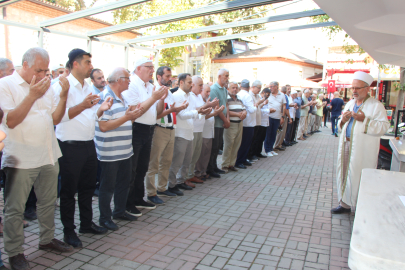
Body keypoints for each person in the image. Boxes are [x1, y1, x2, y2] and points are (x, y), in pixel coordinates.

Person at [0, 47, 74, 270]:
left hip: (49, 154)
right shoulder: (6, 85)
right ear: (25, 65)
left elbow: (55, 119)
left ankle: (46, 239)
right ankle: (15, 252)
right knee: (15, 208)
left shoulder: (47, 86)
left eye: (46, 71)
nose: (43, 75)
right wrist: (31, 96)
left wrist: (62, 96)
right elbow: (10, 121)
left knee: (48, 201)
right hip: (20, 158)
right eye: (38, 70)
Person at [54, 48, 109, 248]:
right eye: (87, 62)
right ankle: (68, 231)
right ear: (75, 64)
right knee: (69, 192)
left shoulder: (87, 86)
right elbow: (58, 116)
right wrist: (85, 106)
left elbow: (90, 115)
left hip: (88, 144)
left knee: (87, 187)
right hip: (69, 146)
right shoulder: (61, 85)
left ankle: (86, 223)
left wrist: (100, 110)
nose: (91, 66)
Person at [332, 71, 389, 214]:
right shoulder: (350, 103)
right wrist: (343, 120)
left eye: (358, 88)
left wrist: (364, 119)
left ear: (367, 89)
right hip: (346, 144)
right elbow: (341, 123)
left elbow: (384, 127)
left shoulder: (376, 106)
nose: (354, 91)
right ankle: (344, 204)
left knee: (360, 175)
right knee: (345, 173)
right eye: (353, 88)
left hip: (363, 149)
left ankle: (361, 205)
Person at [95, 68, 144, 230]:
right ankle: (105, 218)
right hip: (110, 152)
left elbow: (124, 122)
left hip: (125, 150)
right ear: (118, 80)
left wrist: (131, 116)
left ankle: (119, 211)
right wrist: (127, 117)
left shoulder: (122, 98)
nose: (130, 81)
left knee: (124, 182)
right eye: (127, 78)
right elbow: (103, 127)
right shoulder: (105, 97)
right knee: (107, 186)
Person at [122, 57, 168, 217]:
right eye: (149, 67)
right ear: (138, 68)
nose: (152, 70)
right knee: (132, 168)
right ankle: (127, 203)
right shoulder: (132, 84)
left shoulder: (150, 86)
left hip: (149, 129)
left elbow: (158, 112)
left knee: (142, 167)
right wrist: (154, 97)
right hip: (136, 130)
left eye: (152, 67)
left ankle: (138, 198)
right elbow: (137, 110)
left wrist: (161, 98)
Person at [145, 66, 188, 204]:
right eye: (167, 76)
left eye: (170, 76)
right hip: (159, 129)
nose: (170, 79)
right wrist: (173, 110)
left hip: (170, 129)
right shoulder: (154, 90)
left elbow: (170, 110)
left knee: (166, 161)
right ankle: (151, 193)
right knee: (154, 163)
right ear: (159, 77)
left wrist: (177, 109)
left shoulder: (169, 92)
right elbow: (157, 115)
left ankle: (162, 188)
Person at [167, 73, 210, 193]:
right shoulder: (176, 95)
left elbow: (194, 113)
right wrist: (198, 111)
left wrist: (203, 112)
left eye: (192, 82)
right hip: (180, 133)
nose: (191, 85)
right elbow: (182, 115)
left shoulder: (190, 96)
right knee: (177, 162)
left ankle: (181, 181)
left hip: (190, 132)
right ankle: (171, 184)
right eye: (189, 82)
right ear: (181, 82)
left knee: (187, 161)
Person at [186, 76, 219, 183]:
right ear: (193, 85)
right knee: (190, 156)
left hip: (200, 129)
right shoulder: (190, 96)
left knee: (196, 155)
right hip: (192, 129)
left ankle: (191, 175)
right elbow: (192, 111)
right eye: (200, 85)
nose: (201, 87)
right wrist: (207, 105)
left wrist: (209, 108)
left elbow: (201, 112)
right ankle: (186, 177)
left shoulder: (199, 97)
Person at [207, 69, 230, 178]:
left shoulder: (224, 89)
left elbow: (225, 104)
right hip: (216, 123)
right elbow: (215, 107)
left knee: (217, 146)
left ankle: (214, 166)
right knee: (214, 146)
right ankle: (210, 168)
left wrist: (228, 118)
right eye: (226, 76)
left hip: (222, 122)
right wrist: (225, 120)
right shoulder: (214, 89)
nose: (227, 78)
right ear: (219, 76)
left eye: (228, 76)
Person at [222, 82, 245, 171]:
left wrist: (244, 114)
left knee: (236, 144)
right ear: (228, 89)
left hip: (240, 123)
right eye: (233, 87)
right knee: (229, 145)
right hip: (231, 124)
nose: (235, 89)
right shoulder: (226, 98)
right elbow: (226, 111)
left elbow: (244, 109)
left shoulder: (239, 98)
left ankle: (231, 164)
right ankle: (225, 165)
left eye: (236, 88)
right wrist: (238, 114)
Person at [194, 84, 216, 180]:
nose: (208, 93)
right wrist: (214, 113)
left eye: (209, 91)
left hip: (209, 131)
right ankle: (198, 173)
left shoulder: (206, 101)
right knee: (200, 154)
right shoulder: (199, 100)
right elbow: (199, 115)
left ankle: (203, 171)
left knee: (206, 153)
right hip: (201, 130)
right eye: (206, 91)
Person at [235, 79, 256, 168]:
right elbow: (251, 110)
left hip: (242, 122)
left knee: (242, 143)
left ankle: (242, 159)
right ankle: (240, 160)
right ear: (249, 87)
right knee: (245, 143)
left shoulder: (238, 94)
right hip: (248, 122)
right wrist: (256, 105)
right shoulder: (247, 96)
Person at [264, 81, 285, 157]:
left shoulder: (282, 95)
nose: (271, 88)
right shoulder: (268, 95)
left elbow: (283, 106)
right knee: (268, 134)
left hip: (277, 117)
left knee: (274, 134)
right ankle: (267, 150)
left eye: (272, 86)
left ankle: (271, 149)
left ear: (276, 86)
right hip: (269, 117)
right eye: (270, 86)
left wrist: (282, 117)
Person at [247, 80, 266, 162]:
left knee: (256, 138)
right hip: (251, 121)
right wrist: (259, 102)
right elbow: (253, 107)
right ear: (253, 87)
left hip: (258, 120)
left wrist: (262, 103)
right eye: (258, 88)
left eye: (260, 88)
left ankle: (255, 153)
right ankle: (250, 155)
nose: (259, 90)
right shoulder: (249, 95)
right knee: (251, 139)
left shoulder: (257, 95)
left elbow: (258, 107)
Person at [274, 86, 290, 151]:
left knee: (280, 131)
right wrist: (288, 117)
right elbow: (285, 108)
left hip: (280, 115)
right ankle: (277, 145)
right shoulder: (284, 96)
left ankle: (278, 144)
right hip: (281, 115)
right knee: (280, 131)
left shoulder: (281, 95)